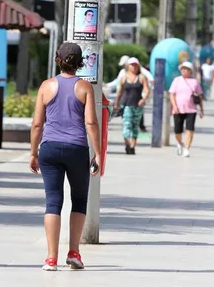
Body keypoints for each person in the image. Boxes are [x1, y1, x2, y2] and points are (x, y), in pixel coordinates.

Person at [29, 42, 101, 271]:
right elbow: (90, 122)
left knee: (53, 201)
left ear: (57, 60)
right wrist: (98, 153)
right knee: (79, 200)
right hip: (77, 148)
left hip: (49, 148)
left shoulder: (46, 86)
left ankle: (51, 258)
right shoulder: (84, 87)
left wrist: (33, 153)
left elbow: (37, 124)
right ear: (80, 62)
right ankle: (74, 252)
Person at [114, 57, 150, 154]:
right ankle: (127, 143)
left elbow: (147, 89)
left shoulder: (141, 77)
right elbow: (119, 92)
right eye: (132, 65)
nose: (134, 67)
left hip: (138, 105)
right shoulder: (124, 77)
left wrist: (144, 99)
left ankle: (132, 146)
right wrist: (116, 103)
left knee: (135, 126)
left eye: (135, 65)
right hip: (126, 105)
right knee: (126, 125)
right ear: (128, 66)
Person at [169, 62, 204, 157]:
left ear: (190, 71)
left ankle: (187, 148)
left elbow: (200, 96)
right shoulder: (176, 80)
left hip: (191, 109)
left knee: (189, 129)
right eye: (182, 69)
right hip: (178, 109)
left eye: (186, 69)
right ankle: (180, 143)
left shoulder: (195, 82)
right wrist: (174, 106)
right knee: (177, 131)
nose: (183, 71)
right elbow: (171, 94)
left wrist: (201, 110)